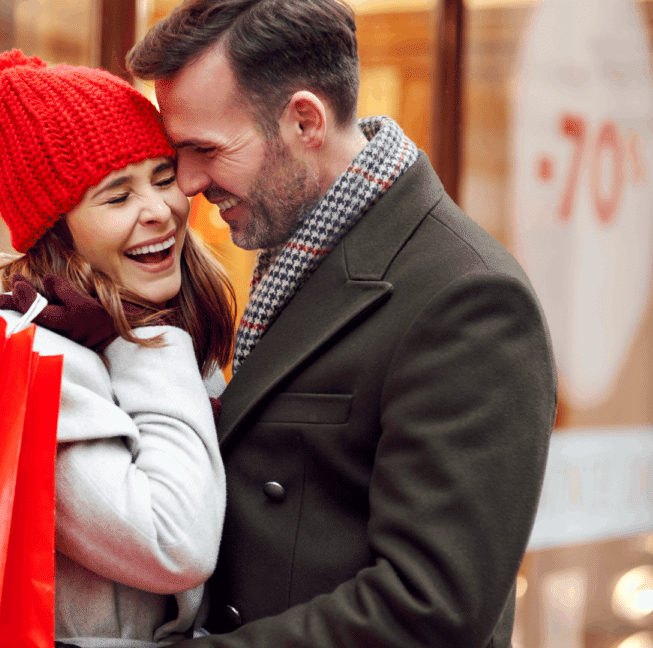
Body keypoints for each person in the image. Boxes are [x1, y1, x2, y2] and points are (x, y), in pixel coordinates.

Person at [126, 1, 557, 646]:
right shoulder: (297, 246)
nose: (186, 183)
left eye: (204, 149)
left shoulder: (471, 300)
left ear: (305, 120)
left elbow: (431, 606)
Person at [0, 49, 237, 647]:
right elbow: (173, 542)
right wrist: (149, 341)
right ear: (57, 228)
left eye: (161, 177)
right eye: (117, 196)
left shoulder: (142, 316)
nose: (160, 212)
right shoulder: (24, 349)